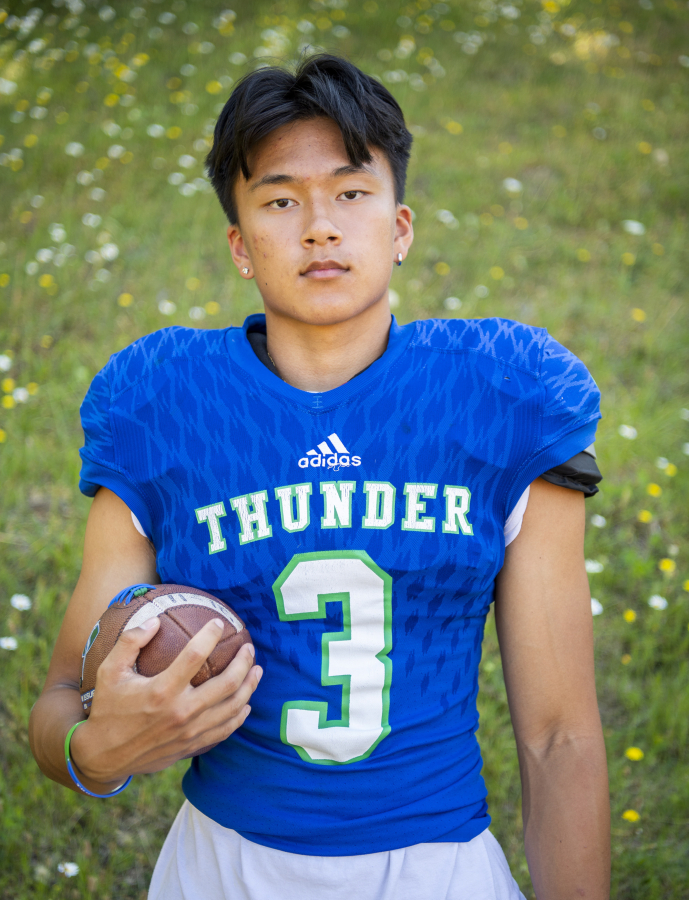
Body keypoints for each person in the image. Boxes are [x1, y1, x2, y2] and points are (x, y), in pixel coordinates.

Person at [29, 54, 610, 900]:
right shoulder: (165, 403)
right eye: (278, 200)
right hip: (220, 864)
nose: (318, 226)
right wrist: (95, 751)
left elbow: (559, 735)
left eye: (349, 191)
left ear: (400, 226)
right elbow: (59, 698)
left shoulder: (499, 394)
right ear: (239, 243)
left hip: (434, 866)